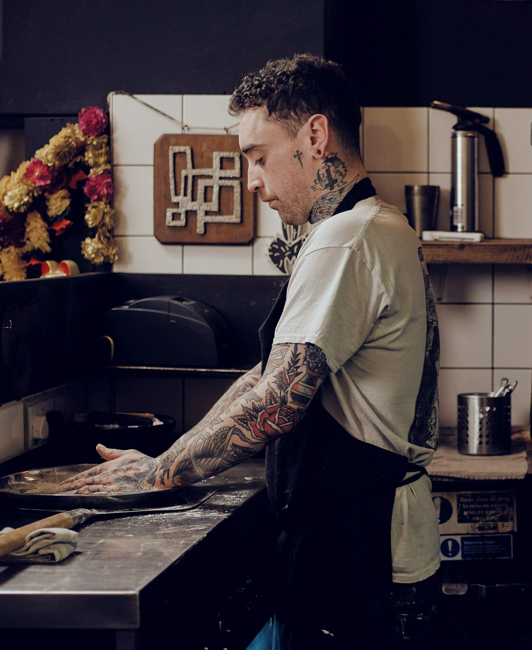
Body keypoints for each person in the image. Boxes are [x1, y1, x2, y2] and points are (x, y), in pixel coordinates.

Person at [61, 54, 441, 648]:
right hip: (365, 541)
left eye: (259, 157)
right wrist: (168, 459)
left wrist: (159, 473)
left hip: (363, 550)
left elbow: (279, 399)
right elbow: (264, 377)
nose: (252, 181)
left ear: (315, 136)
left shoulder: (346, 239)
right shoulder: (373, 227)